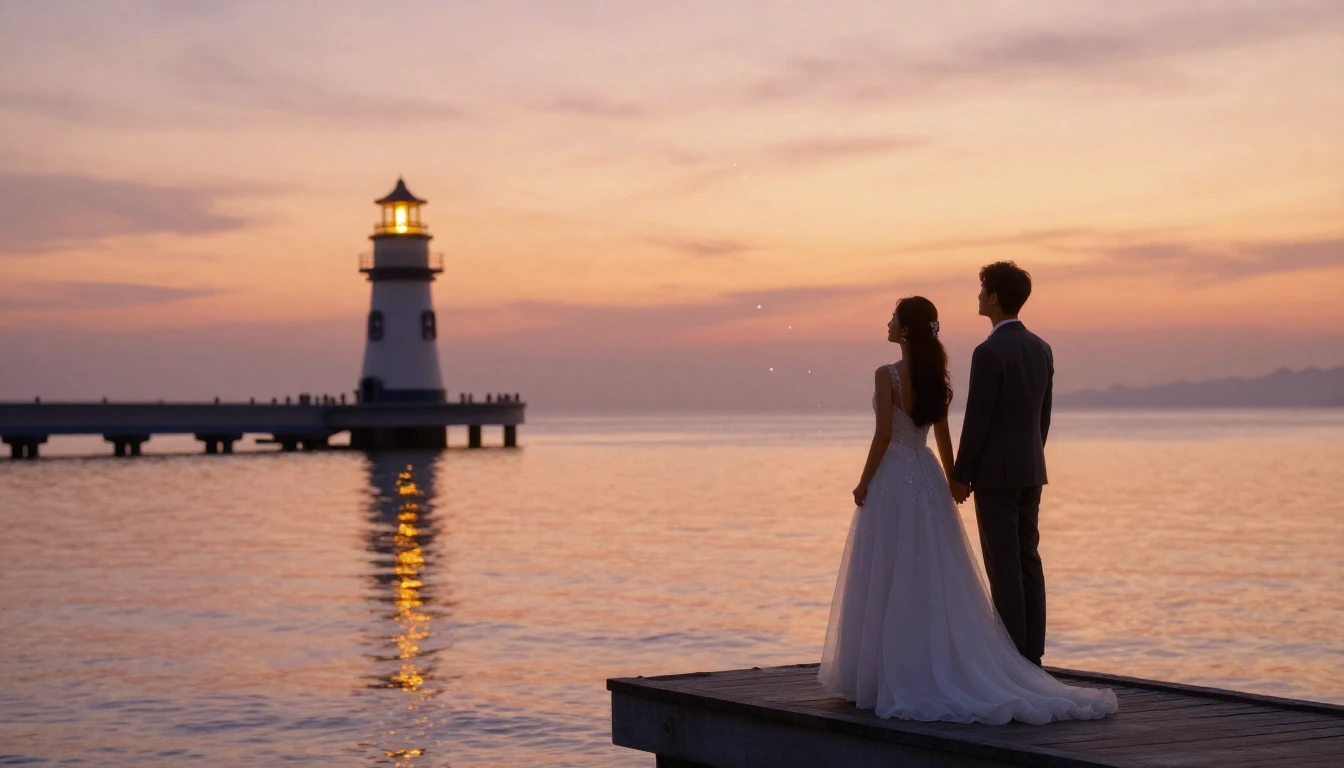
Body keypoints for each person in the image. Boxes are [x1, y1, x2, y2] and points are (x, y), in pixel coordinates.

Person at [818, 291, 1116, 725]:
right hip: (927, 474)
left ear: (904, 329)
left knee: (888, 571)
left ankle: (887, 672)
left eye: (893, 318)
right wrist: (953, 476)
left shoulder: (886, 375)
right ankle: (947, 660)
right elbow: (941, 436)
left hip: (895, 477)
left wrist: (864, 481)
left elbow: (884, 434)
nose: (887, 323)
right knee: (930, 573)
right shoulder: (936, 374)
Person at [951, 261, 1054, 667]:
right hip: (1031, 469)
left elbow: (978, 418)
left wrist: (962, 475)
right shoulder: (1041, 347)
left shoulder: (989, 351)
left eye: (981, 291)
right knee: (1029, 558)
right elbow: (1042, 417)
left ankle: (1011, 659)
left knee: (1003, 564)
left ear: (993, 297)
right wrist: (1031, 457)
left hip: (996, 474)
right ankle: (1033, 654)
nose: (977, 297)